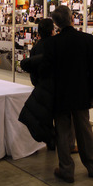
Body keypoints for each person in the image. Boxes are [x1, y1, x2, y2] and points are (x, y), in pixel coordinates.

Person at [41, 6, 93, 183]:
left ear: (56, 23)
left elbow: (46, 71)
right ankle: (92, 166)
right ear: (72, 18)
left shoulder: (52, 43)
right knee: (84, 130)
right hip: (82, 94)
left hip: (60, 95)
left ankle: (67, 169)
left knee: (63, 132)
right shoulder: (88, 40)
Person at [19, 18, 56, 150]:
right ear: (52, 30)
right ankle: (57, 143)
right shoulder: (56, 45)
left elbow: (32, 70)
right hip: (55, 88)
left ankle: (50, 142)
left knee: (45, 118)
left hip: (41, 87)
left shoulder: (36, 47)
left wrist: (37, 84)